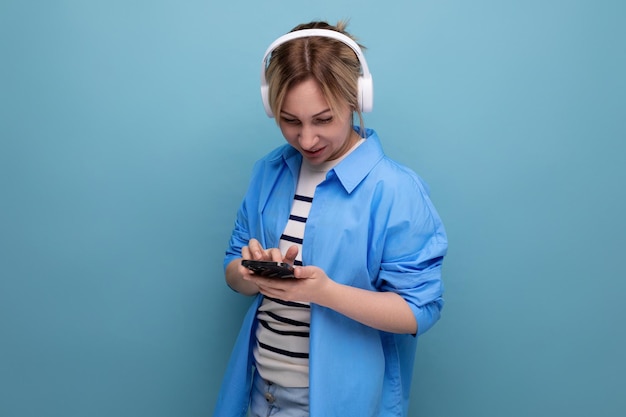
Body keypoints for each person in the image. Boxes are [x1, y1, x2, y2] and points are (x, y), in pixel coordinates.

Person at [213, 20, 447, 417]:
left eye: (323, 120)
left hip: (332, 402)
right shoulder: (267, 173)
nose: (306, 140)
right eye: (290, 120)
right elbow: (232, 269)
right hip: (257, 390)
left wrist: (322, 292)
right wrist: (249, 272)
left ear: (357, 99)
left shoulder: (395, 190)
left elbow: (418, 311)